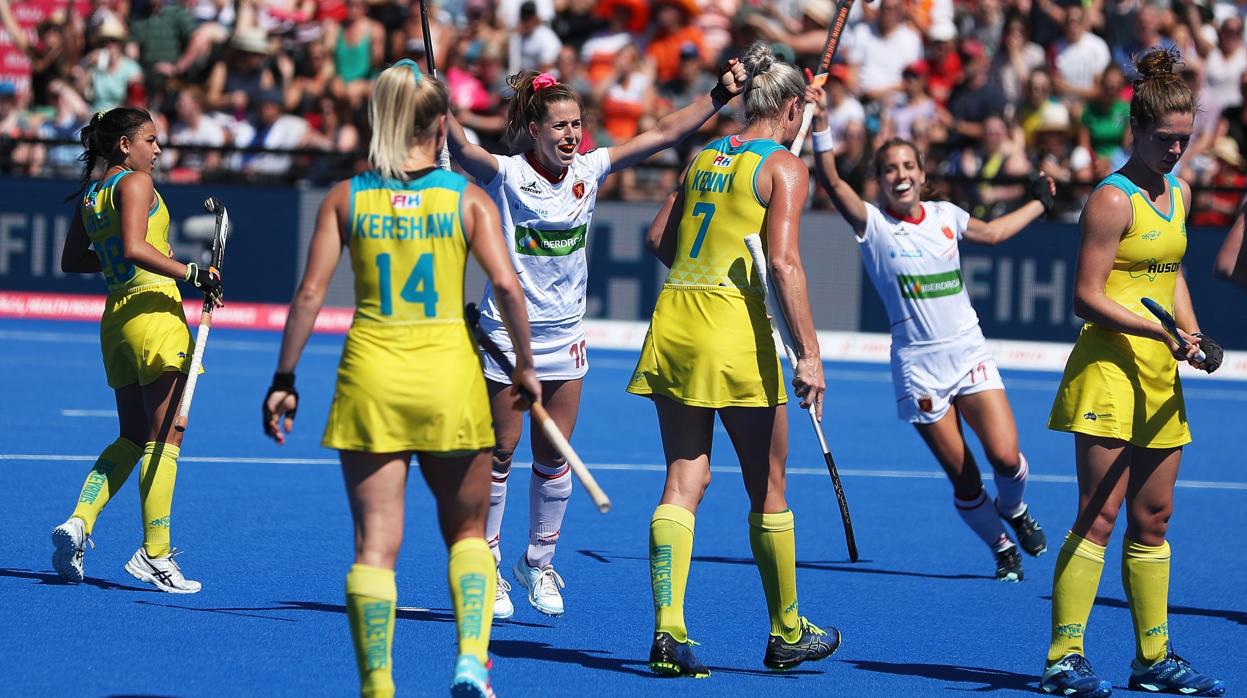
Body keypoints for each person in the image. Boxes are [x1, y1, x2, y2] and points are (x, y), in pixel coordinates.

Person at [261, 61, 539, 698]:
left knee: (375, 545)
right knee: (467, 533)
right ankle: (471, 659)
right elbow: (505, 285)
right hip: (449, 378)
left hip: (371, 377)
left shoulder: (346, 197)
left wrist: (285, 377)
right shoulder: (464, 198)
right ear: (440, 124)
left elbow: (308, 295)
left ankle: (379, 685)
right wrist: (524, 365)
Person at [445, 52, 748, 620]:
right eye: (559, 125)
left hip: (566, 338)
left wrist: (718, 97)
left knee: (554, 455)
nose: (570, 135)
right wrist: (440, 108)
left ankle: (536, 563)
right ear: (532, 129)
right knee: (501, 453)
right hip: (510, 338)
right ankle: (487, 559)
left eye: (576, 125)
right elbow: (463, 150)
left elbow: (659, 134)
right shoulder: (506, 175)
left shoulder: (588, 170)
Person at [626, 41, 838, 677]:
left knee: (683, 479)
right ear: (794, 106)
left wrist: (705, 271)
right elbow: (784, 263)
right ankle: (787, 629)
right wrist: (810, 354)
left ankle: (668, 632)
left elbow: (658, 237)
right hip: (735, 332)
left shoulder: (704, 156)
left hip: (676, 318)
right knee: (767, 487)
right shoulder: (784, 169)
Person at [808, 83, 1056, 582]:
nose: (900, 176)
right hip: (919, 367)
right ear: (879, 181)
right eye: (890, 170)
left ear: (922, 174)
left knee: (1007, 458)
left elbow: (994, 233)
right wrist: (820, 123)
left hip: (968, 351)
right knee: (963, 477)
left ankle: (1015, 509)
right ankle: (1002, 546)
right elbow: (832, 182)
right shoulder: (873, 226)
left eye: (907, 167)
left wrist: (1040, 205)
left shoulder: (947, 216)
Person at [1042, 49, 1227, 698]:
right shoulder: (1110, 200)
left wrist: (1193, 335)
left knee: (1154, 519)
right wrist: (1156, 330)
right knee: (1098, 515)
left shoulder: (1175, 192)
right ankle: (1063, 657)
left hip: (1157, 377)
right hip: (1107, 373)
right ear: (1135, 131)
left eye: (1183, 140)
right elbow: (1085, 296)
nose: (1175, 152)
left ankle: (1152, 657)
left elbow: (1170, 279)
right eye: (1163, 140)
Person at [52, 107, 222, 593]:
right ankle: (156, 553)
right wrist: (192, 273)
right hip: (154, 315)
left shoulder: (93, 193)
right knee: (167, 436)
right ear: (125, 145)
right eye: (150, 139)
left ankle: (80, 520)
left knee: (131, 435)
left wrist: (134, 262)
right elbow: (133, 245)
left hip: (118, 322)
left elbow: (74, 260)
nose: (158, 149)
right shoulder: (134, 183)